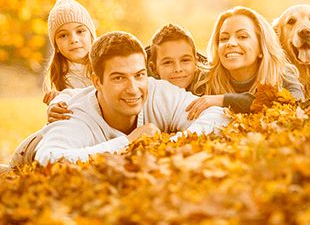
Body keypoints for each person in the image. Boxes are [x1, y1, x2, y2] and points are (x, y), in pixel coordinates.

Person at [9, 31, 229, 168]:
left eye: (139, 75)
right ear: (97, 82)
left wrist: (164, 145)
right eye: (118, 78)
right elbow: (47, 159)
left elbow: (216, 116)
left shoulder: (157, 92)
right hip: (26, 155)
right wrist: (130, 142)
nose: (133, 89)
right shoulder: (73, 115)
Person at [186, 6, 304, 119]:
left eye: (242, 36)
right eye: (224, 38)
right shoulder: (204, 81)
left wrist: (223, 100)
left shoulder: (282, 74)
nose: (230, 43)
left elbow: (296, 103)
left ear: (262, 47)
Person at [43, 0, 96, 120]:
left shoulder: (106, 63)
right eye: (63, 35)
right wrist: (58, 102)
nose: (74, 39)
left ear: (91, 36)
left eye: (80, 31)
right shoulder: (61, 76)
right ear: (56, 46)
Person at [146, 23, 207, 91]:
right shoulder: (145, 96)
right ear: (153, 69)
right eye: (167, 62)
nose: (178, 69)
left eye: (185, 60)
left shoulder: (211, 94)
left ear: (196, 63)